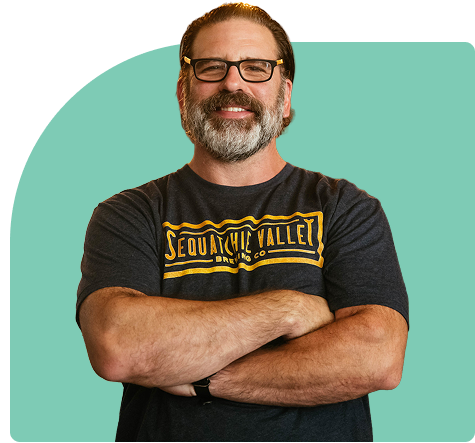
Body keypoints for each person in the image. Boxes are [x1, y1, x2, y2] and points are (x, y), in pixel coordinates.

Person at [75, 2, 410, 441]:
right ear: (183, 93)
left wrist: (203, 380)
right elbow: (119, 346)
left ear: (285, 97)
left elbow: (377, 356)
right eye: (211, 67)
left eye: (255, 67)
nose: (232, 82)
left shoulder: (345, 208)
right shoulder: (129, 213)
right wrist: (289, 311)